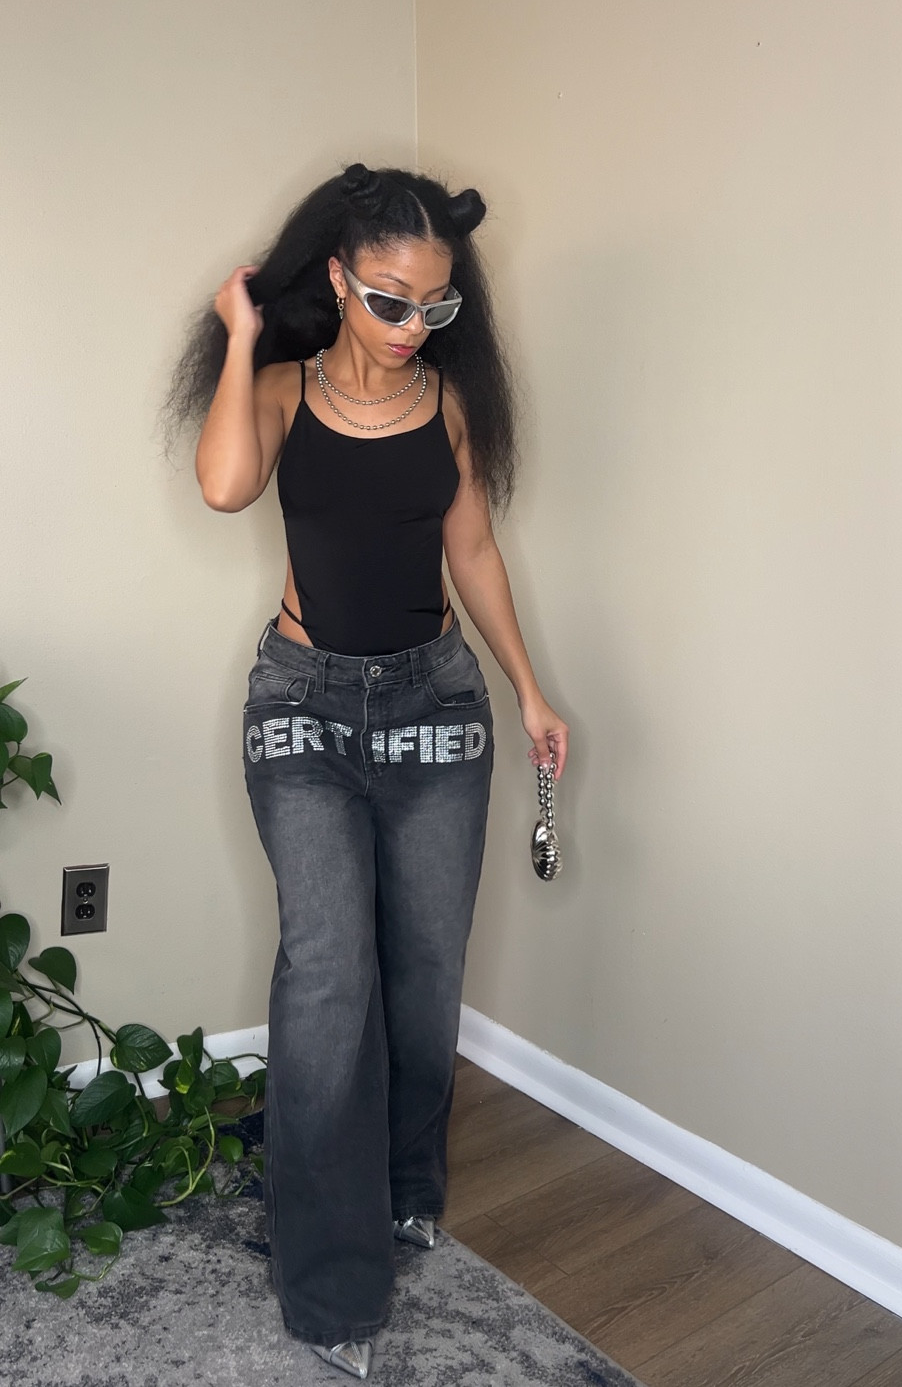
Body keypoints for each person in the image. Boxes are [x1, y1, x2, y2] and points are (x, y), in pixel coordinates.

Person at [167, 163, 569, 1380]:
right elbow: (223, 485)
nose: (411, 327)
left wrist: (528, 688)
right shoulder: (281, 389)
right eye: (390, 300)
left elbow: (473, 548)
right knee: (329, 972)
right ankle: (329, 1275)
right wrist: (242, 335)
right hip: (304, 709)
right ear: (339, 280)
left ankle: (403, 1187)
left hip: (436, 705)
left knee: (424, 972)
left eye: (435, 306)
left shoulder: (446, 403)